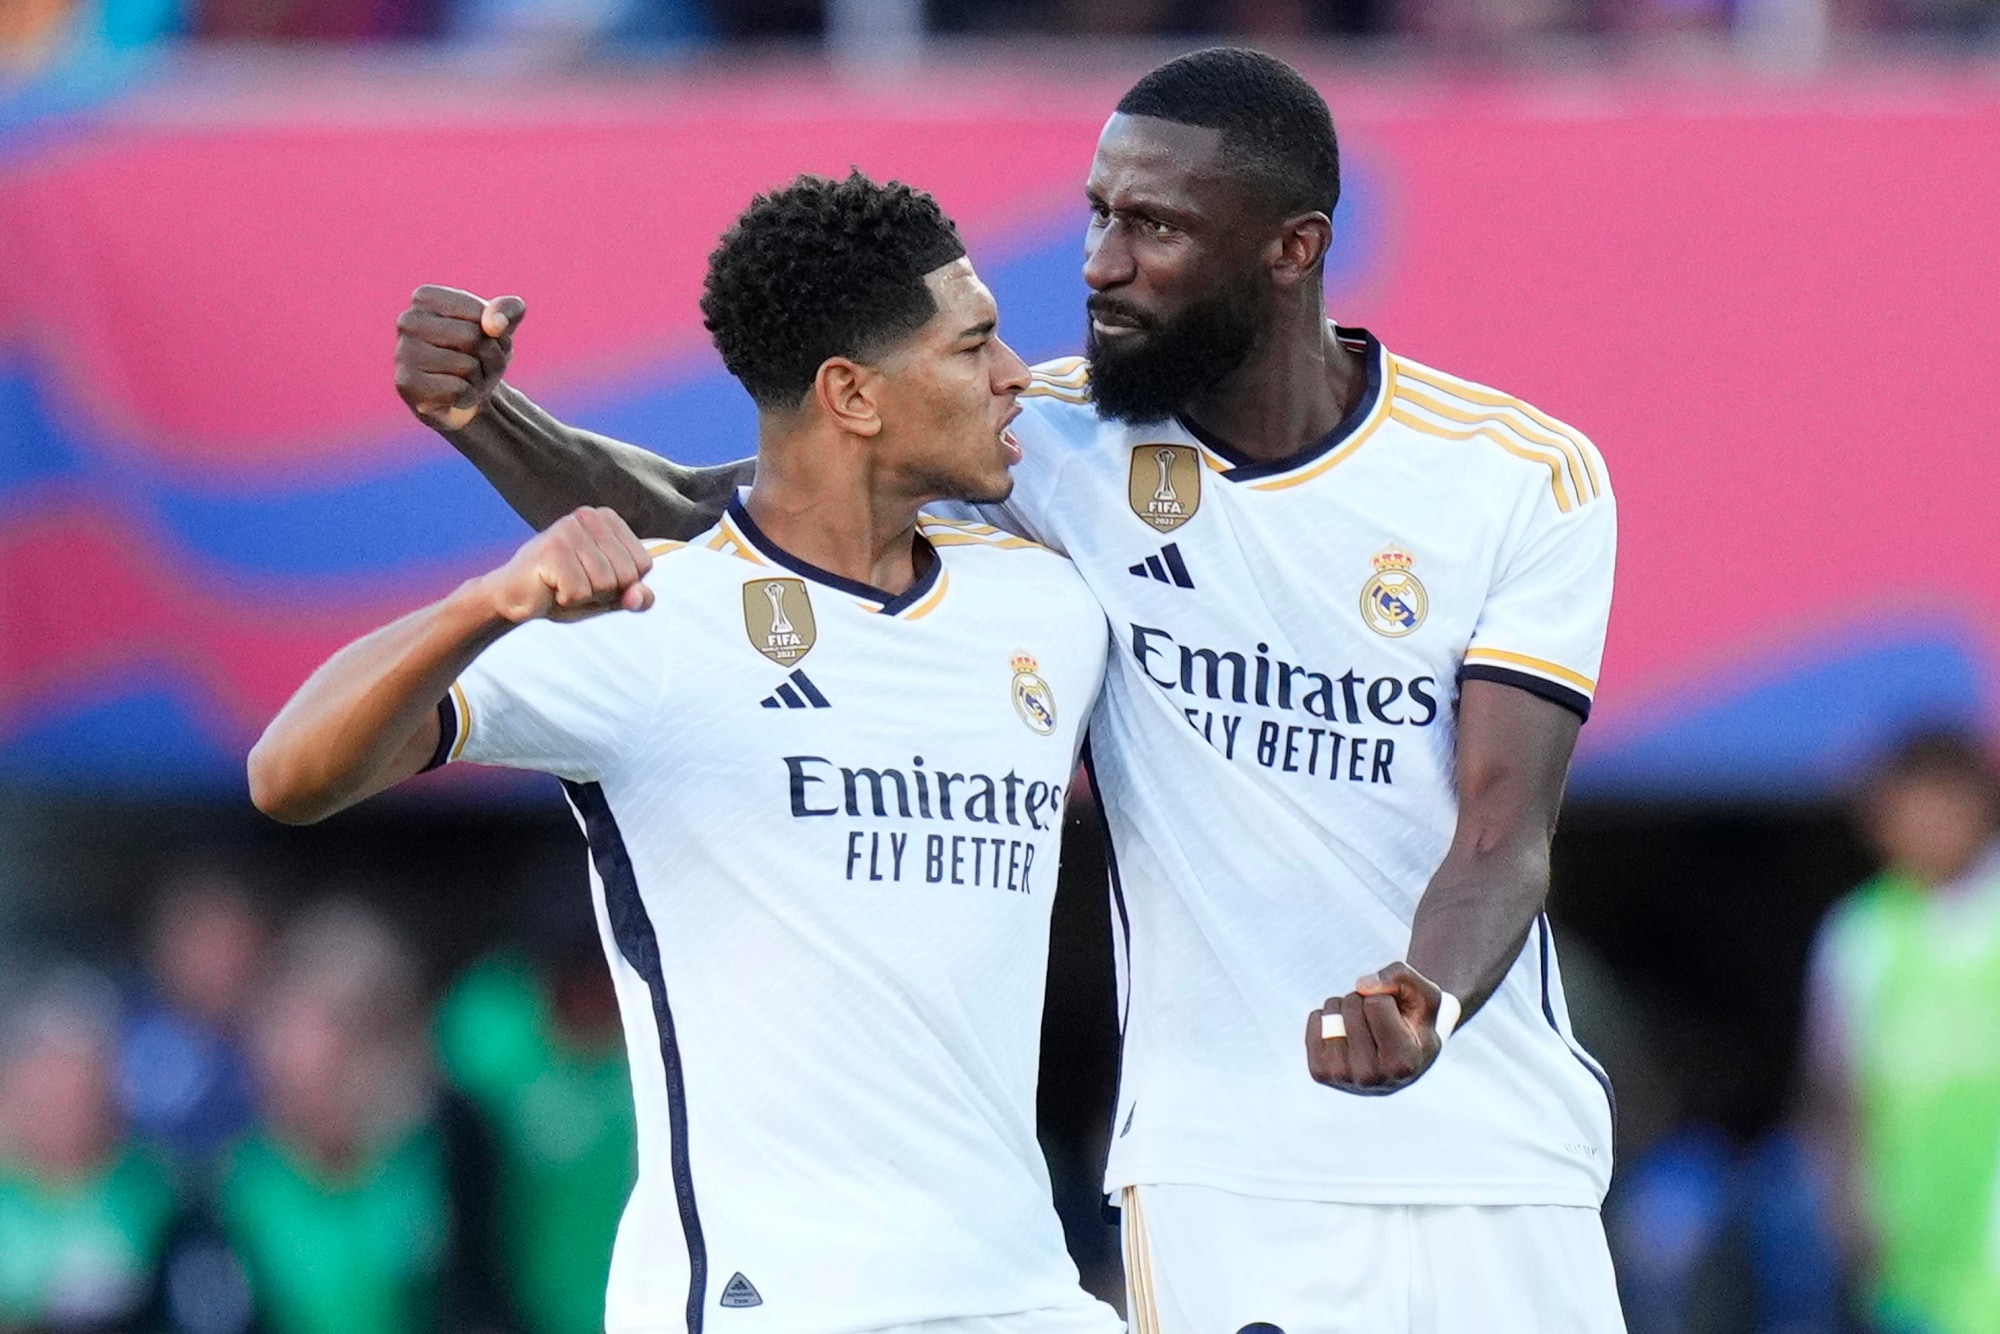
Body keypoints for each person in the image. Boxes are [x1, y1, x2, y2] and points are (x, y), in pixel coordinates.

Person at [398, 48, 1622, 1333]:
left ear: (1291, 248)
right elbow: (727, 520)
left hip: (1497, 1145)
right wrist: (489, 417)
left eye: (1152, 226)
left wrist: (1421, 995)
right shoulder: (1052, 436)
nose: (1098, 261)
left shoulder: (1513, 474)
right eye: (1097, 213)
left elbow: (1501, 829)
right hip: (1219, 1169)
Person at [252, 171, 1118, 1334]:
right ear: (850, 393)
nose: (1015, 373)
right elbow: (288, 773)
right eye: (973, 346)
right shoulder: (657, 622)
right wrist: (483, 603)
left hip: (1018, 1295)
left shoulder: (1046, 605)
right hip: (767, 1305)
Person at [1800, 732, 2000, 1334]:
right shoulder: (1859, 935)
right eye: (1908, 812)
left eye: (1942, 807)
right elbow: (1834, 1092)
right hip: (1908, 1257)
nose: (1927, 828)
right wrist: (1847, 1212)